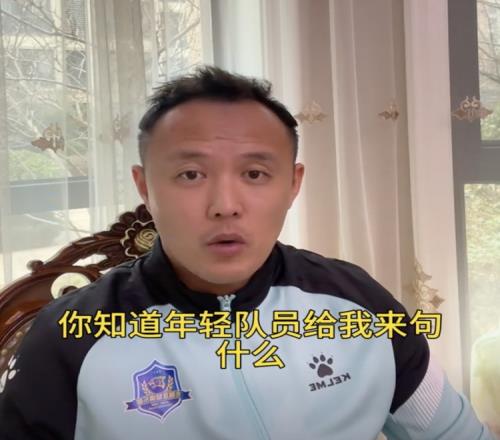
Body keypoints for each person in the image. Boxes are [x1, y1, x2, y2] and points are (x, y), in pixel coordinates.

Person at [0, 66, 494, 440]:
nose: (225, 205)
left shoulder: (358, 303)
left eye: (255, 174)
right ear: (145, 186)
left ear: (293, 184)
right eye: (191, 174)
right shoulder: (72, 336)